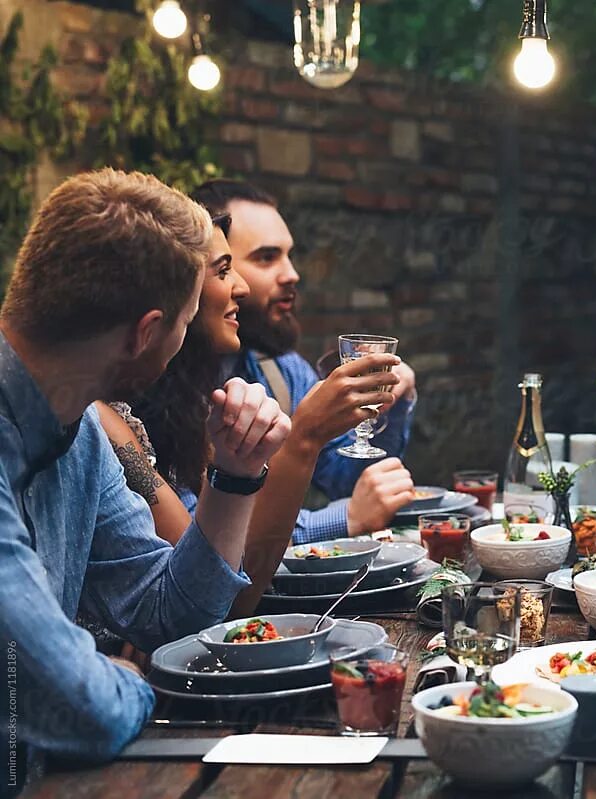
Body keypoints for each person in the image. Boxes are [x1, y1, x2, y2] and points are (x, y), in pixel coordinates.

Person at [0, 169, 289, 785]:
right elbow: (82, 708)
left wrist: (236, 476)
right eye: (185, 320)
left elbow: (168, 614)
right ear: (146, 332)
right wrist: (121, 681)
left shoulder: (76, 430)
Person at [94, 206, 407, 619]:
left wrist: (388, 410)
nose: (239, 286)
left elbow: (201, 582)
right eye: (226, 269)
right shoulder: (111, 417)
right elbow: (210, 591)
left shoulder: (265, 373)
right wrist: (302, 439)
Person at [190, 179, 418, 542]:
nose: (292, 273)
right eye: (266, 257)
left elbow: (346, 480)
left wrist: (391, 404)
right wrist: (345, 517)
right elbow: (198, 544)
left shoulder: (281, 369)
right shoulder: (163, 389)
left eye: (288, 254)